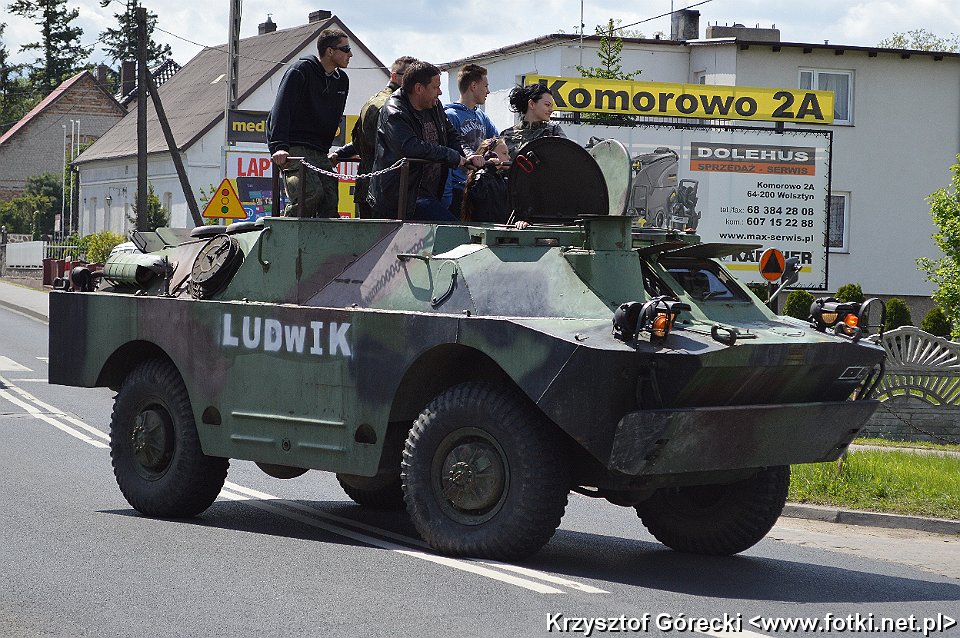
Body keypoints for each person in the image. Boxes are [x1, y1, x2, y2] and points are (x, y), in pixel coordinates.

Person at [368, 60, 483, 221]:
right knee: (451, 229)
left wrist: (468, 154)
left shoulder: (434, 105)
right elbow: (410, 147)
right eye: (436, 87)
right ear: (418, 88)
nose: (440, 92)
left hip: (430, 193)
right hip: (401, 197)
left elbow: (452, 135)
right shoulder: (394, 111)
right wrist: (451, 155)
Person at [267, 29, 352, 218]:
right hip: (294, 146)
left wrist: (328, 153)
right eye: (346, 49)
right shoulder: (301, 70)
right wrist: (280, 147)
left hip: (319, 151)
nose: (350, 54)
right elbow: (282, 108)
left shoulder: (342, 81)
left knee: (330, 201)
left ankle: (324, 239)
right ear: (330, 51)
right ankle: (285, 232)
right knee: (310, 194)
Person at [332, 55, 418, 218]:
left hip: (371, 185)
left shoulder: (377, 100)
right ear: (395, 76)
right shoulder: (391, 106)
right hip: (383, 189)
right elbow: (391, 143)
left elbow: (361, 139)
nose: (415, 83)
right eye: (410, 77)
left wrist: (339, 153)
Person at [443, 64, 498, 216]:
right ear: (473, 86)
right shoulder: (451, 115)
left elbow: (497, 141)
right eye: (485, 86)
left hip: (476, 184)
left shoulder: (482, 116)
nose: (488, 91)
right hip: (457, 187)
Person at [500, 83, 566, 160]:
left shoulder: (554, 131)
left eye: (551, 106)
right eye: (547, 105)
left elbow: (568, 156)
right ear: (531, 104)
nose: (551, 110)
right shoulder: (506, 135)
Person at [461, 137, 510, 224]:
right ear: (491, 156)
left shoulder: (502, 178)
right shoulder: (481, 176)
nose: (508, 157)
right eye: (504, 153)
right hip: (484, 227)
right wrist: (490, 170)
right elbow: (477, 196)